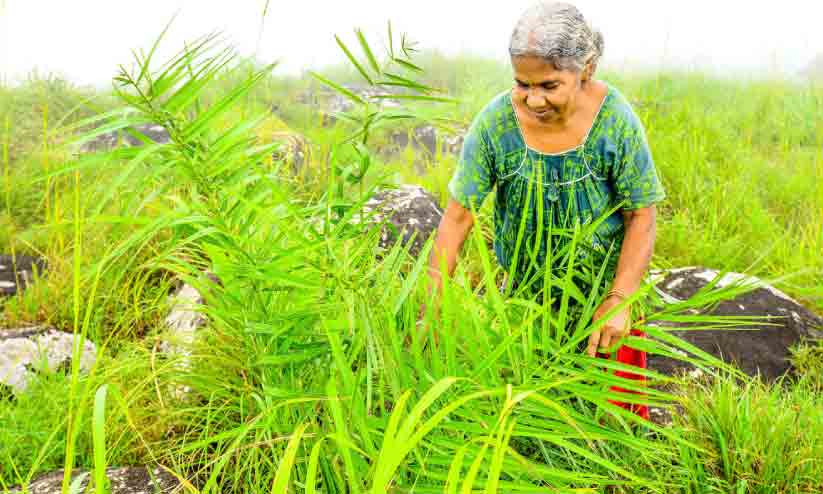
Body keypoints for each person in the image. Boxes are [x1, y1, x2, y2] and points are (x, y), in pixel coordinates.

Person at [425, 1, 666, 420]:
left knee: (607, 426)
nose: (533, 99)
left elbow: (640, 214)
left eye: (550, 85)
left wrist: (619, 298)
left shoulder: (616, 121)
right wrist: (431, 303)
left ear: (586, 68)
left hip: (601, 301)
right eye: (523, 84)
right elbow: (458, 215)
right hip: (524, 305)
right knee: (532, 421)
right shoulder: (495, 124)